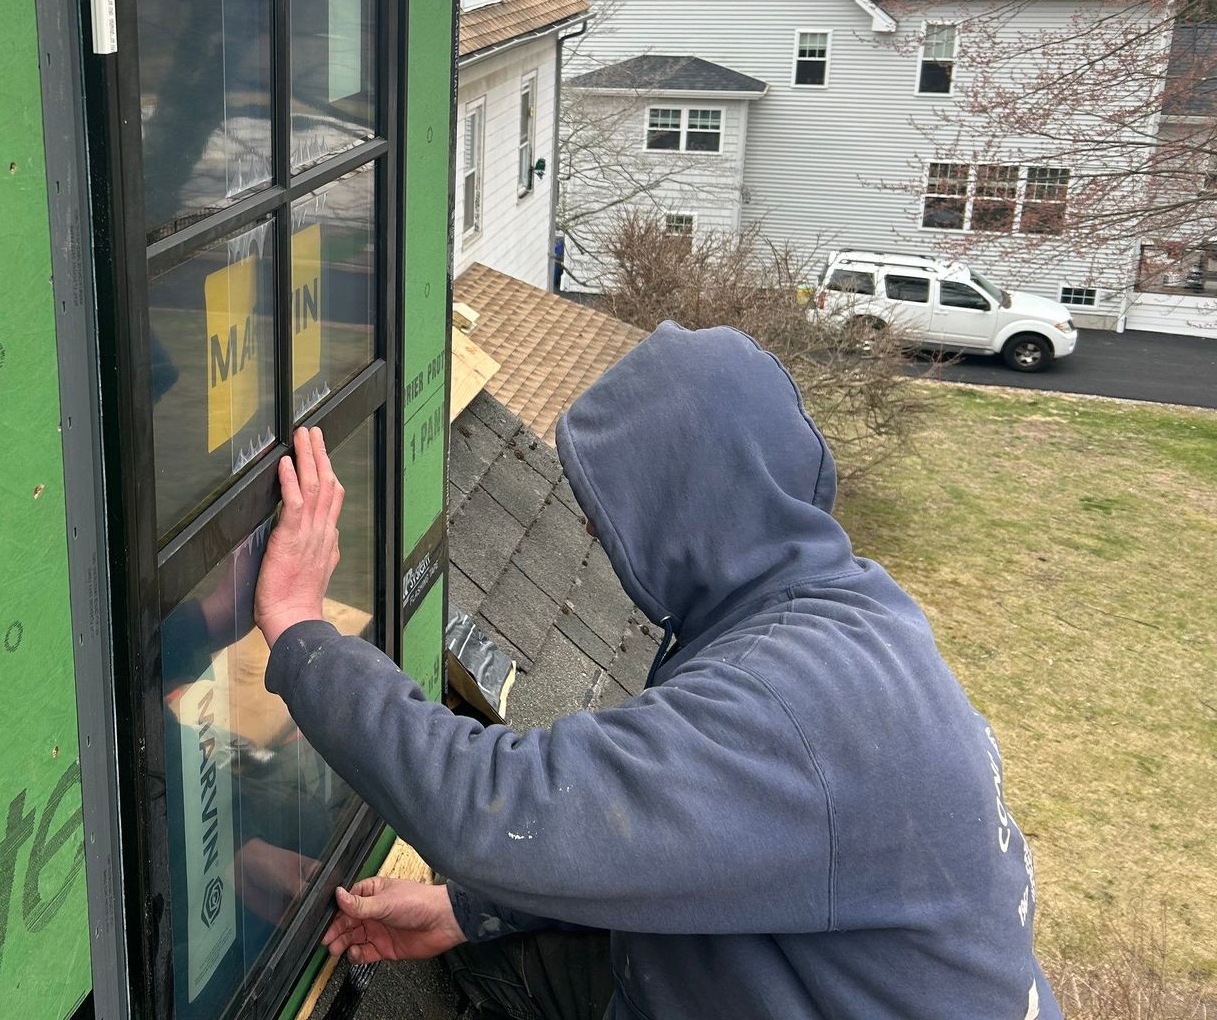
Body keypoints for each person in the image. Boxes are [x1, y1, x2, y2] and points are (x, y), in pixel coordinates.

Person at [254, 322, 1058, 1020]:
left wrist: (298, 625)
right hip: (810, 984)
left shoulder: (794, 707)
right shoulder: (849, 610)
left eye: (609, 508)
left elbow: (500, 810)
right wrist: (470, 912)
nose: (593, 531)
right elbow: (707, 850)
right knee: (488, 957)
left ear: (689, 502)